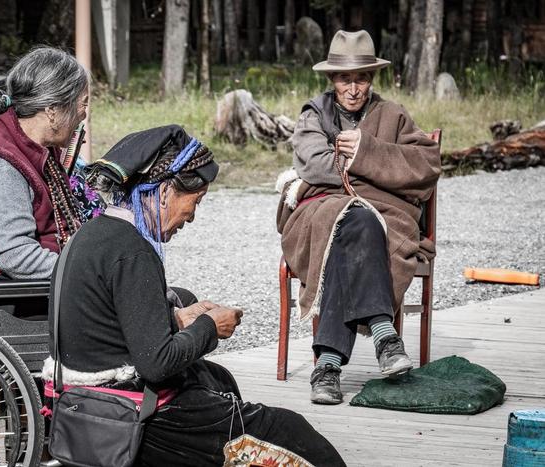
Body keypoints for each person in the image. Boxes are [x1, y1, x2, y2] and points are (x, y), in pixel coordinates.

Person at [44, 125, 345, 466]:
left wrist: (177, 318)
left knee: (217, 378)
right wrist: (208, 326)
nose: (192, 216)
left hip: (85, 397)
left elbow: (108, 323)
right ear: (164, 190)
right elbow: (156, 364)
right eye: (195, 200)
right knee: (289, 430)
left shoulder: (95, 234)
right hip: (126, 414)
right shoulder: (132, 252)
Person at [276, 30, 441, 405]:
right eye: (345, 78)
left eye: (362, 78)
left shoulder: (393, 115)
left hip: (375, 218)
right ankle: (385, 334)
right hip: (318, 213)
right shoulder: (313, 115)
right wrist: (378, 170)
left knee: (357, 225)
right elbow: (314, 165)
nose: (353, 87)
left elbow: (426, 164)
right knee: (354, 219)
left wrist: (367, 151)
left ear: (372, 79)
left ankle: (328, 366)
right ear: (332, 79)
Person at [0, 46, 103, 280]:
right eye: (83, 104)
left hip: (42, 286)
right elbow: (16, 257)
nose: (83, 115)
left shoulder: (39, 150)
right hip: (5, 297)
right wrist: (91, 272)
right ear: (52, 110)